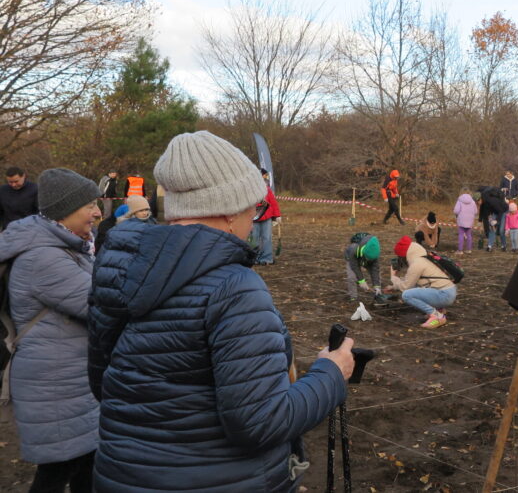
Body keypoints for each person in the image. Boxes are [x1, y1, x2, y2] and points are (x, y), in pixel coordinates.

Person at [88, 130, 355, 492]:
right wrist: (331, 373)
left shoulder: (121, 267)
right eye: (254, 207)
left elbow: (104, 384)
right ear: (229, 210)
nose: (253, 219)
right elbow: (259, 424)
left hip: (122, 476)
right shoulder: (234, 288)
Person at [0, 168, 102, 492]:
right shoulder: (44, 258)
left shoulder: (67, 246)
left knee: (87, 464)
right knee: (59, 471)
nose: (98, 213)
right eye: (90, 205)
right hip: (55, 382)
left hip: (68, 376)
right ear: (65, 210)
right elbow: (103, 305)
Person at [390, 236, 457, 329]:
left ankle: (437, 316)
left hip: (444, 295)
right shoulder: (425, 258)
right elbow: (412, 281)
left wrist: (393, 277)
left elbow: (405, 287)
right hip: (449, 291)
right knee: (417, 288)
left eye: (401, 257)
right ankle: (439, 309)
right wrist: (393, 286)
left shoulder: (417, 264)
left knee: (406, 295)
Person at [344, 231, 389, 316]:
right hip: (352, 259)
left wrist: (376, 285)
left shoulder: (374, 252)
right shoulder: (353, 249)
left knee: (377, 276)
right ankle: (353, 297)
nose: (369, 261)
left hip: (365, 256)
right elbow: (355, 267)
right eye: (368, 259)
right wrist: (361, 280)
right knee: (352, 277)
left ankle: (377, 294)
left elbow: (375, 270)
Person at [251, 168, 280, 265]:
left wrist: (277, 216)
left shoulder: (267, 189)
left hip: (266, 217)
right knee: (254, 238)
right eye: (264, 176)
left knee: (266, 238)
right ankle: (253, 258)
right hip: (254, 218)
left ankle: (266, 258)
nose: (266, 178)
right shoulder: (250, 189)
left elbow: (273, 203)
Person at [479, 185, 509, 251]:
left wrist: (497, 221)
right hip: (495, 211)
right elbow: (486, 213)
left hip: (503, 211)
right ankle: (489, 246)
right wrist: (490, 219)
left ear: (480, 199)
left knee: (501, 230)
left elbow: (500, 211)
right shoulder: (485, 203)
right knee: (492, 228)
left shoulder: (492, 201)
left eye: (478, 201)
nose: (478, 203)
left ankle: (503, 246)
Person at [453, 187, 477, 253]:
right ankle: (469, 249)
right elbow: (475, 211)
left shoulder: (459, 200)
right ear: (469, 193)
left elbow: (456, 211)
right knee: (469, 235)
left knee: (461, 234)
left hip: (461, 220)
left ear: (461, 192)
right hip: (470, 221)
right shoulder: (473, 202)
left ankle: (460, 250)